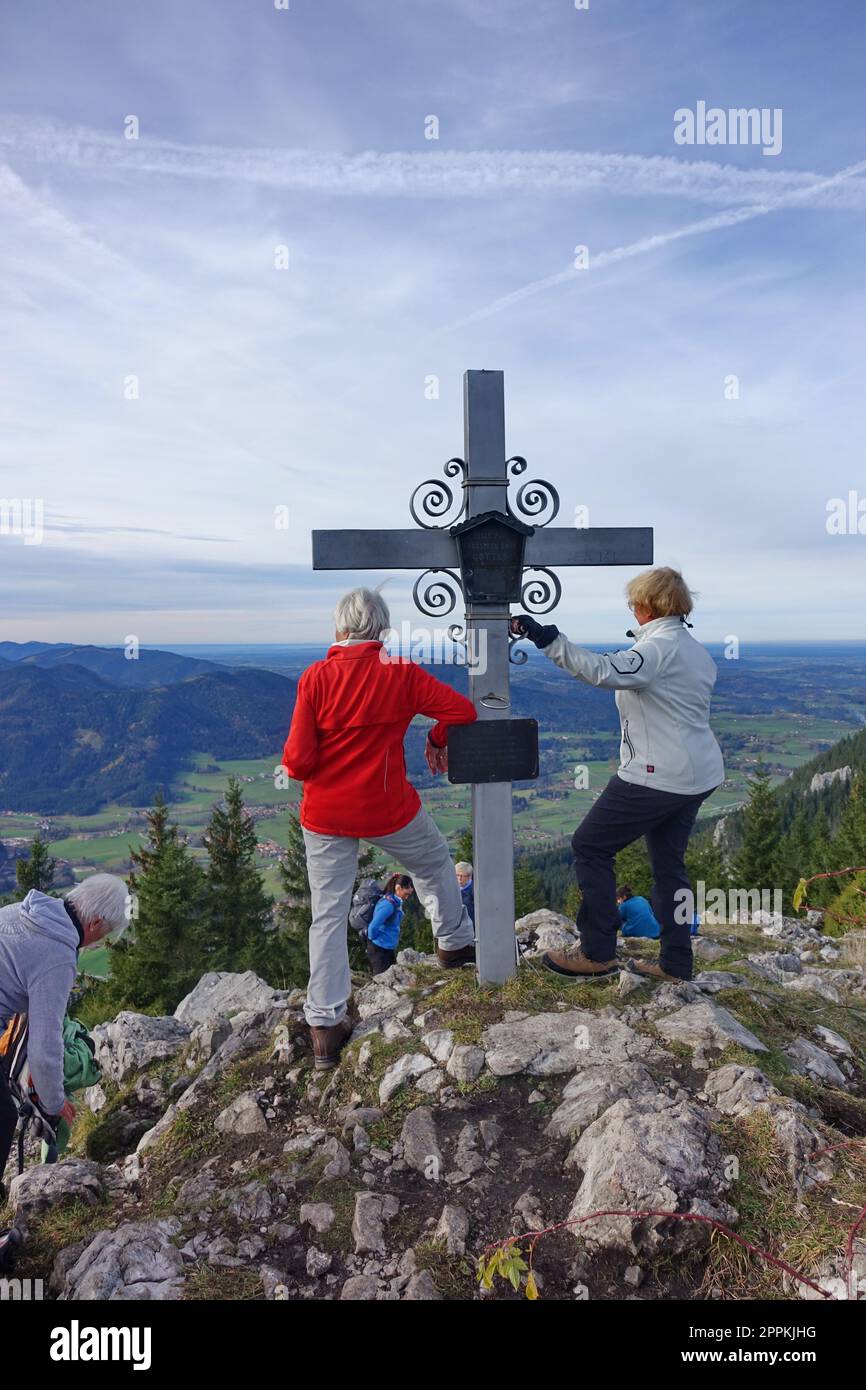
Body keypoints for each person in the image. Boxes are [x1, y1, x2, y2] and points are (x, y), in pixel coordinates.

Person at [281, 586, 478, 1070]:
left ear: (339, 629)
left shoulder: (316, 678)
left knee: (327, 913)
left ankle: (325, 1024)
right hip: (388, 806)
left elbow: (300, 761)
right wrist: (435, 738)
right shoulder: (400, 673)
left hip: (326, 814)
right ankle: (453, 944)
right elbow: (463, 710)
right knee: (433, 863)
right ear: (382, 631)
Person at [511, 566, 723, 984]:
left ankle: (596, 951)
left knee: (590, 846)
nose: (631, 609)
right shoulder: (694, 649)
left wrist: (546, 638)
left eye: (633, 603)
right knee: (669, 866)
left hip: (656, 774)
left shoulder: (658, 649)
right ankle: (676, 963)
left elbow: (603, 671)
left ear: (648, 605)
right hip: (698, 774)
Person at [0, 873, 129, 1192]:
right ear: (96, 922)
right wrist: (55, 1102)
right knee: (2, 1117)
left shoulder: (25, 912)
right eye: (106, 933)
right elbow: (45, 1048)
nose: (100, 942)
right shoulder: (56, 955)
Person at [366, 874, 414, 976]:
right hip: (379, 950)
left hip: (387, 948)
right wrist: (375, 941)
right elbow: (373, 927)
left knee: (392, 979)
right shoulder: (388, 905)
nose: (410, 891)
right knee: (382, 982)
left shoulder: (395, 901)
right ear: (398, 888)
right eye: (408, 888)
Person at [455, 861, 474, 926]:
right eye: (457, 875)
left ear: (469, 876)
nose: (459, 878)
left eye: (462, 876)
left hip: (470, 928)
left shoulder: (475, 890)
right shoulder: (451, 888)